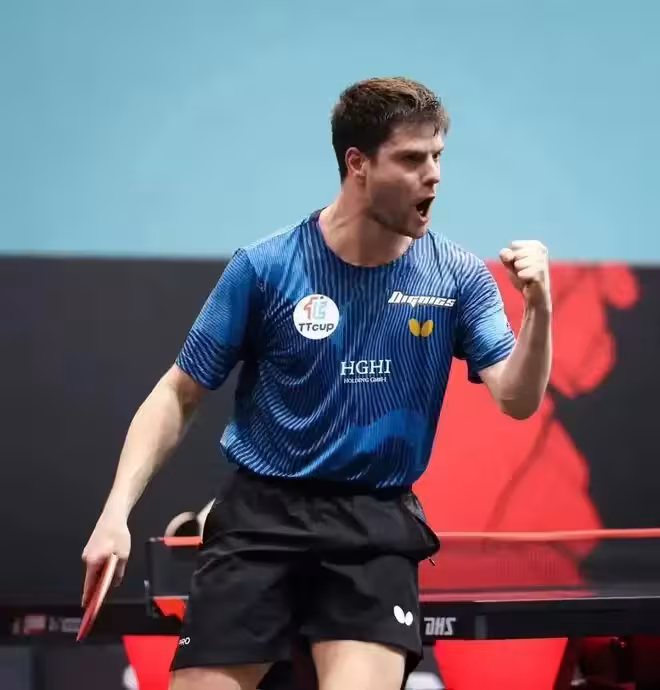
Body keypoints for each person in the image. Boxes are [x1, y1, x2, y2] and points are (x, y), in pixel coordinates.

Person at [81, 76, 552, 690]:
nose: (434, 176)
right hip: (258, 520)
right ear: (357, 164)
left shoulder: (457, 277)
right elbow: (178, 392)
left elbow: (517, 397)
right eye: (412, 159)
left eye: (438, 156)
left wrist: (539, 309)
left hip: (373, 527)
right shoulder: (266, 268)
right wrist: (115, 513)